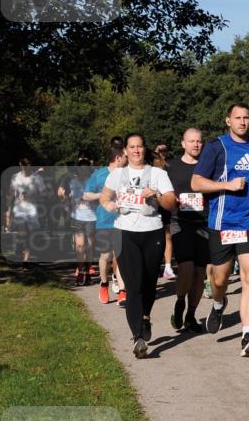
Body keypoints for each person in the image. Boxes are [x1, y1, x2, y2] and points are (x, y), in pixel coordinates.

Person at [191, 104, 249, 356]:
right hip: (222, 222)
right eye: (237, 118)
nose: (243, 122)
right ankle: (220, 303)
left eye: (246, 117)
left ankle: (247, 335)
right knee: (219, 281)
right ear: (228, 121)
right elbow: (196, 181)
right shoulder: (216, 147)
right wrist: (228, 185)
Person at [100, 134, 176, 358]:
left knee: (149, 282)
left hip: (152, 231)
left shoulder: (158, 174)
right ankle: (138, 337)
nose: (135, 151)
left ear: (145, 149)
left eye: (139, 147)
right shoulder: (117, 175)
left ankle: (145, 317)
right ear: (125, 151)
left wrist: (158, 195)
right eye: (131, 147)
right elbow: (104, 198)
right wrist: (111, 205)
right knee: (133, 285)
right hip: (124, 232)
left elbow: (171, 203)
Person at [167, 128, 208, 332]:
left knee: (200, 273)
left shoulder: (208, 166)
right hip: (180, 221)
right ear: (183, 144)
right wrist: (169, 198)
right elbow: (162, 191)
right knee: (187, 267)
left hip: (203, 223)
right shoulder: (172, 167)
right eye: (191, 141)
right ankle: (180, 300)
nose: (195, 144)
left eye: (199, 141)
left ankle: (191, 314)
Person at [84, 146, 127, 304]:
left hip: (123, 221)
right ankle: (104, 284)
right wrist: (101, 195)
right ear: (118, 158)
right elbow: (85, 194)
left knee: (120, 255)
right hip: (103, 221)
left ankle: (122, 290)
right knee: (106, 256)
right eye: (125, 156)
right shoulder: (99, 174)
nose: (127, 159)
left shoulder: (128, 173)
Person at [59, 157, 97, 285]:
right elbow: (64, 197)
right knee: (79, 246)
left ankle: (88, 271)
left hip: (91, 217)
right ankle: (81, 272)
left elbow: (99, 198)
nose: (84, 171)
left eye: (86, 169)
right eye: (81, 169)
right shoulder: (72, 182)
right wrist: (66, 203)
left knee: (90, 247)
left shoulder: (93, 183)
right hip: (77, 218)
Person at [5, 158, 44, 263]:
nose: (26, 167)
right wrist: (8, 209)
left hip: (31, 209)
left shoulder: (37, 178)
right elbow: (10, 194)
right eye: (24, 164)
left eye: (28, 164)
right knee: (23, 232)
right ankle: (22, 253)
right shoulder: (15, 177)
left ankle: (24, 256)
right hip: (19, 209)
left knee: (29, 233)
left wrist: (33, 194)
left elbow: (43, 193)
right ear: (20, 164)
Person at [151, 142, 175, 280]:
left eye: (164, 150)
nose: (162, 152)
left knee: (167, 235)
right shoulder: (148, 167)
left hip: (164, 204)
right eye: (159, 150)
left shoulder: (168, 167)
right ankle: (155, 264)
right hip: (152, 205)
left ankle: (167, 266)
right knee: (154, 236)